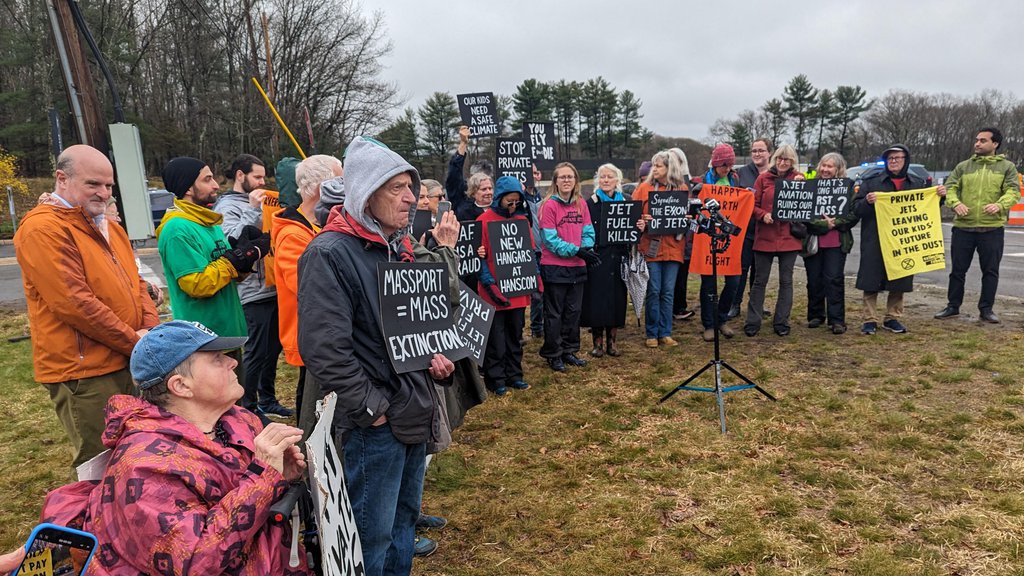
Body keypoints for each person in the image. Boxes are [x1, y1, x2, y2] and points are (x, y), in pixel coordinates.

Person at [297, 136, 458, 576]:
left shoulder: (397, 248)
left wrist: (434, 359)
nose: (411, 198)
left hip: (413, 408)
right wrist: (374, 409)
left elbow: (408, 332)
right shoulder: (329, 253)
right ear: (366, 194)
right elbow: (325, 351)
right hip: (375, 424)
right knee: (372, 535)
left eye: (411, 187)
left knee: (403, 523)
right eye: (397, 188)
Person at [39, 321, 311, 575]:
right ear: (181, 386)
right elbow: (195, 561)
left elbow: (248, 495)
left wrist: (280, 477)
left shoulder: (236, 418)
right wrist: (263, 478)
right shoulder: (144, 467)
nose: (232, 361)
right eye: (217, 359)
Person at [14, 144, 160, 468]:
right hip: (85, 371)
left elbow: (135, 282)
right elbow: (75, 304)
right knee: (101, 463)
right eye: (93, 184)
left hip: (127, 358)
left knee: (136, 452)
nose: (104, 193)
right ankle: (92, 520)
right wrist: (136, 341)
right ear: (61, 179)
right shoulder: (43, 229)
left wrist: (149, 331)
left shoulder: (107, 227)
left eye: (108, 185)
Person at [156, 157, 267, 382]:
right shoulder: (177, 228)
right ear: (188, 187)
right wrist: (233, 260)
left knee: (236, 404)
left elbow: (228, 273)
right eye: (207, 179)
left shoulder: (209, 222)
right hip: (204, 340)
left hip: (227, 334)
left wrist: (245, 259)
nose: (216, 185)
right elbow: (196, 284)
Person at [213, 154, 291, 418]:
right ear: (239, 175)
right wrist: (253, 209)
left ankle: (267, 399)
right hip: (251, 292)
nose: (261, 182)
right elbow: (231, 240)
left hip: (272, 286)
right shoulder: (226, 205)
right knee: (256, 351)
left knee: (273, 349)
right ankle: (247, 407)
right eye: (257, 177)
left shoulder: (265, 200)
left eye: (263, 177)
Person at [272, 154, 343, 430]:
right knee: (312, 404)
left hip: (325, 334)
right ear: (319, 188)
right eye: (340, 180)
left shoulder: (318, 226)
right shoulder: (293, 234)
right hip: (311, 338)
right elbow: (307, 286)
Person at [853, 144, 941, 335]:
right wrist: (867, 202)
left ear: (905, 160)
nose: (893, 162)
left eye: (897, 158)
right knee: (871, 278)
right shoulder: (871, 182)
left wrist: (939, 197)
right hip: (875, 238)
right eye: (890, 159)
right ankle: (869, 319)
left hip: (903, 240)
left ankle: (892, 317)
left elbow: (927, 207)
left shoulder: (917, 183)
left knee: (900, 276)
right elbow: (856, 209)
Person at [935, 127, 1020, 324]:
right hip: (963, 228)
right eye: (976, 140)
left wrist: (999, 205)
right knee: (957, 270)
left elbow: (1013, 191)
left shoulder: (1007, 167)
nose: (977, 143)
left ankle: (986, 309)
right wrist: (955, 203)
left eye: (983, 140)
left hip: (992, 229)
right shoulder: (964, 166)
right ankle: (952, 306)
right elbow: (951, 188)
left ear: (995, 144)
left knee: (990, 271)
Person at [477, 176, 534, 395]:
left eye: (516, 202)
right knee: (496, 339)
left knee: (515, 336)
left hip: (517, 291)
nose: (512, 205)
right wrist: (489, 285)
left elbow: (528, 254)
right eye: (509, 201)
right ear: (499, 199)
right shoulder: (483, 220)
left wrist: (535, 279)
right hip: (493, 293)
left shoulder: (522, 221)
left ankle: (514, 375)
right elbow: (478, 257)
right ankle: (496, 378)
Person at [538, 162, 599, 371]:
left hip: (577, 266)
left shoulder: (581, 203)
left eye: (570, 177)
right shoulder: (549, 205)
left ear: (576, 181)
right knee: (555, 313)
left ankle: (569, 350)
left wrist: (586, 248)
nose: (566, 180)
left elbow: (588, 230)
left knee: (574, 311)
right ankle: (553, 353)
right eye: (562, 177)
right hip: (555, 266)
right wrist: (576, 250)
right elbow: (550, 239)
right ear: (555, 181)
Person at [580, 163, 644, 356]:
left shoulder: (627, 200)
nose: (606, 180)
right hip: (598, 257)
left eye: (610, 177)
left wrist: (640, 227)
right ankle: (597, 344)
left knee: (617, 300)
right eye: (602, 177)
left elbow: (633, 233)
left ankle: (612, 343)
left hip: (619, 257)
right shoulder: (589, 203)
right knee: (597, 300)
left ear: (618, 179)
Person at [744, 144, 804, 337]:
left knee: (786, 281)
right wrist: (763, 215)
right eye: (779, 158)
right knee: (759, 280)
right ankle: (753, 320)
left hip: (789, 237)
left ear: (792, 161)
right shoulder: (763, 179)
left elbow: (807, 206)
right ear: (774, 159)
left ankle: (782, 321)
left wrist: (801, 186)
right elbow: (752, 205)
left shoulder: (799, 179)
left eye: (786, 159)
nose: (782, 162)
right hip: (766, 236)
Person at [633, 150, 690, 348]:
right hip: (651, 248)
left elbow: (686, 218)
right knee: (654, 290)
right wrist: (642, 222)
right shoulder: (643, 188)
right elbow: (633, 216)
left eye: (658, 166)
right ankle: (651, 332)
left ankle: (666, 332)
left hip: (674, 248)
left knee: (668, 291)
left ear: (669, 168)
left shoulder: (682, 189)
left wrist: (686, 220)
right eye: (654, 165)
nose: (654, 169)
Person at [804, 153, 858, 334]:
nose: (826, 169)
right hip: (814, 241)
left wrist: (835, 223)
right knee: (814, 279)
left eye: (830, 167)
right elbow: (803, 214)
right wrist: (822, 224)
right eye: (823, 165)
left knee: (834, 279)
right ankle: (816, 315)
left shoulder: (848, 186)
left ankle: (837, 320)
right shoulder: (810, 186)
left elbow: (853, 214)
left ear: (838, 169)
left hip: (836, 241)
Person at [697, 144, 745, 342]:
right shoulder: (702, 182)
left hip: (729, 239)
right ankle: (708, 324)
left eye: (730, 164)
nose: (727, 168)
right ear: (715, 163)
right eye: (723, 165)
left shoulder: (734, 179)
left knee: (733, 282)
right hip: (707, 238)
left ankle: (722, 318)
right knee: (708, 283)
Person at [730, 138, 773, 319]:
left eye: (761, 150)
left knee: (759, 271)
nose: (757, 154)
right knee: (741, 269)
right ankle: (735, 303)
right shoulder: (740, 174)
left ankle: (756, 304)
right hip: (745, 230)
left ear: (769, 152)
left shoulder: (774, 174)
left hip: (765, 230)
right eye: (754, 150)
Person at [669, 147, 696, 321]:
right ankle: (671, 307)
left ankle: (679, 306)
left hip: (684, 236)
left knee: (682, 274)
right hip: (666, 237)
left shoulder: (686, 183)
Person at [446, 125, 494, 216]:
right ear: (473, 192)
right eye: (483, 189)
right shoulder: (462, 205)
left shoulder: (499, 208)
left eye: (490, 188)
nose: (488, 192)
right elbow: (454, 175)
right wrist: (463, 143)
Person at [523, 162, 546, 338]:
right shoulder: (520, 200)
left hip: (544, 250)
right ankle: (536, 327)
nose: (533, 176)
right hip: (528, 251)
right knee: (536, 293)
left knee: (544, 291)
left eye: (536, 173)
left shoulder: (543, 197)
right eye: (530, 173)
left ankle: (543, 324)